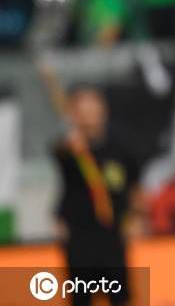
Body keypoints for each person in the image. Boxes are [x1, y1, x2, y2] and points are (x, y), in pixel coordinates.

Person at [53, 87, 142, 306]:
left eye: (93, 108)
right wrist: (74, 145)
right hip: (80, 237)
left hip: (112, 235)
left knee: (119, 297)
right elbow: (59, 152)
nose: (89, 114)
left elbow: (134, 189)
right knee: (81, 298)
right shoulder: (71, 151)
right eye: (83, 110)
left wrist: (136, 217)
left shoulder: (121, 150)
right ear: (74, 114)